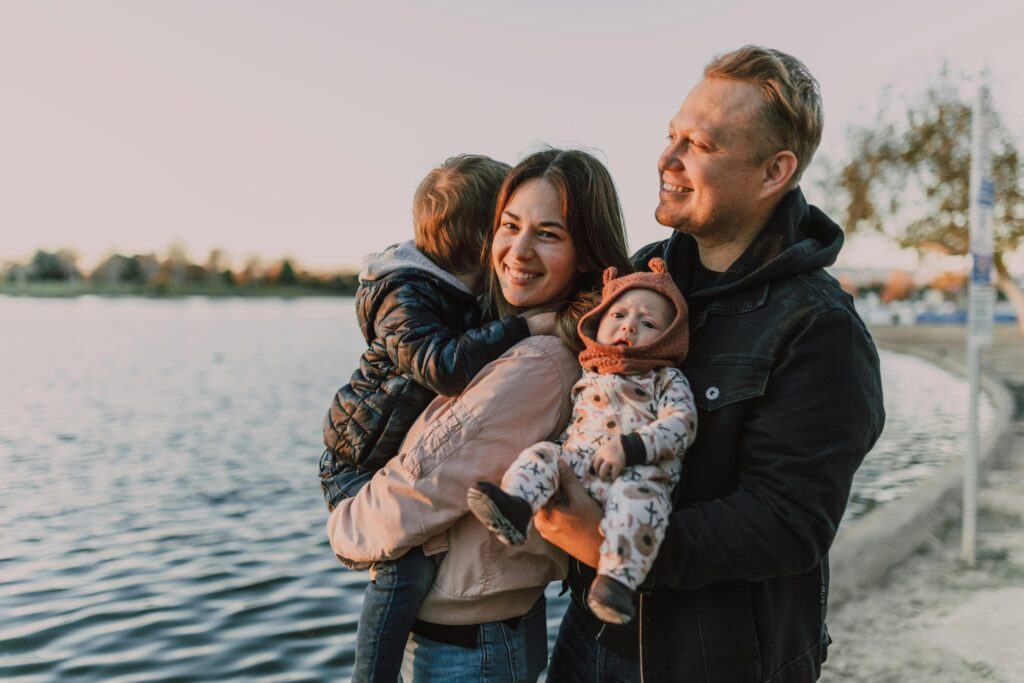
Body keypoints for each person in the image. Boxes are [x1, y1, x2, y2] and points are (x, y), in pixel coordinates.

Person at [534, 46, 886, 682]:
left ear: (774, 171)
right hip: (590, 636)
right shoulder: (641, 276)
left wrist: (609, 544)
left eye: (699, 144)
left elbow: (786, 524)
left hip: (716, 659)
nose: (667, 159)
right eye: (672, 135)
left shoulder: (820, 328)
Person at [327, 148, 633, 682]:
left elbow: (410, 496)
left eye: (548, 234)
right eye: (509, 226)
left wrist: (344, 524)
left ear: (585, 253)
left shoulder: (541, 358)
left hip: (471, 650)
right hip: (472, 638)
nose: (517, 249)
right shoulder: (503, 333)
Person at [467, 258, 697, 625]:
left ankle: (616, 581)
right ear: (598, 321)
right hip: (581, 465)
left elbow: (682, 424)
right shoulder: (589, 372)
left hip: (636, 472)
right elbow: (575, 425)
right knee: (543, 453)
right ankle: (516, 506)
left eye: (648, 323)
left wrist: (631, 447)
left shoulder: (664, 379)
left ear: (669, 338)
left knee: (641, 505)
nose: (630, 326)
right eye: (618, 315)